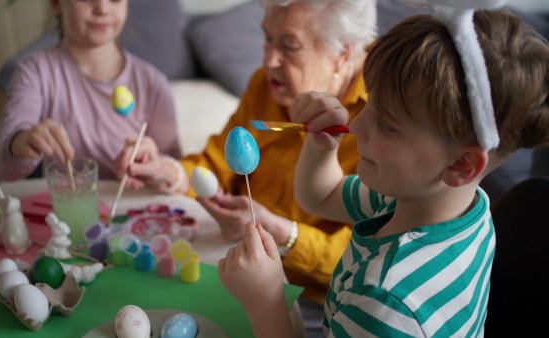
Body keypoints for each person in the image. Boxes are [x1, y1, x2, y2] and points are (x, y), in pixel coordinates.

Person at [217, 6, 549, 337]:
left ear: (461, 164)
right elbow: (322, 195)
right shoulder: (436, 204)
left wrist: (266, 301)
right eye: (369, 103)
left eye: (387, 124)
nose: (357, 124)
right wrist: (322, 145)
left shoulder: (385, 303)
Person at [114, 0, 376, 332]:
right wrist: (169, 170)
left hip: (322, 302)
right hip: (238, 272)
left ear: (343, 53)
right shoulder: (266, 87)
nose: (269, 60)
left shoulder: (380, 117)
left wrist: (283, 233)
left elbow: (369, 248)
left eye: (289, 46)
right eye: (267, 38)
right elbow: (216, 164)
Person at [0, 0, 180, 181]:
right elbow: (1, 168)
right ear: (56, 2)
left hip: (135, 208)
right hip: (67, 208)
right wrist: (21, 143)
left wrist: (159, 167)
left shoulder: (153, 83)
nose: (102, 9)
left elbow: (177, 170)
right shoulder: (34, 72)